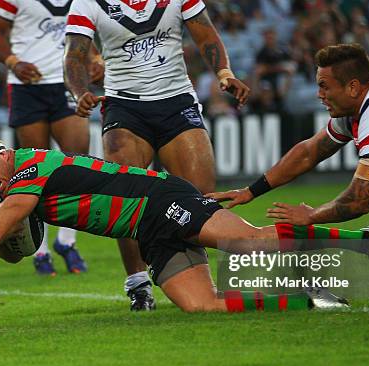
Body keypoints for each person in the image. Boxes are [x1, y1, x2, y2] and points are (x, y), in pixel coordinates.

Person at [0, 133, 369, 313]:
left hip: (159, 198)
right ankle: (312, 299)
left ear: (4, 157)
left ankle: (364, 238)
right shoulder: (20, 184)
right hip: (147, 227)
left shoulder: (32, 166)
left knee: (253, 245)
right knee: (202, 306)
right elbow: (3, 232)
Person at [208, 43, 369, 305]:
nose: (319, 94)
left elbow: (362, 199)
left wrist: (311, 215)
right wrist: (251, 191)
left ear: (353, 87)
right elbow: (309, 153)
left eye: (324, 85)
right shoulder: (361, 107)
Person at [63, 0, 250, 311]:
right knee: (124, 199)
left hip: (176, 101)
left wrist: (224, 72)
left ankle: (200, 279)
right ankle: (138, 284)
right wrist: (79, 92)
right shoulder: (87, 2)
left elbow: (205, 34)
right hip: (124, 104)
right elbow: (75, 55)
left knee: (202, 198)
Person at [0, 0, 104, 280]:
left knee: (78, 165)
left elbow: (80, 30)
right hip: (28, 87)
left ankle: (67, 241)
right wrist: (13, 63)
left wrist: (95, 58)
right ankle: (40, 250)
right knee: (32, 170)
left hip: (66, 81)